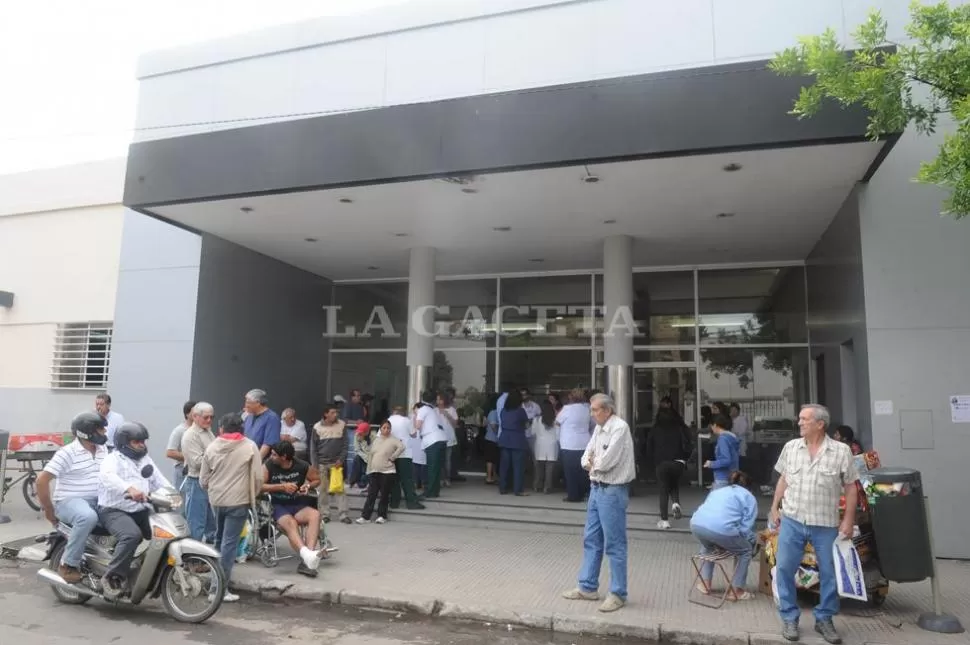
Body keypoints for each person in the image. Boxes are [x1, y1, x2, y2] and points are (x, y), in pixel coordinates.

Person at [770, 404, 859, 645]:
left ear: (820, 424)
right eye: (800, 419)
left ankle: (824, 618)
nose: (799, 423)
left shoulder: (841, 451)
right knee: (785, 568)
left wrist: (848, 519)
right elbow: (784, 478)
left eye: (804, 419)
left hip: (826, 523)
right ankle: (789, 617)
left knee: (830, 574)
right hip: (793, 519)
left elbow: (851, 487)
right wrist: (774, 507)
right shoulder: (791, 448)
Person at [562, 394, 635, 613]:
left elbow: (606, 461)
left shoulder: (619, 428)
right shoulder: (598, 428)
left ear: (607, 410)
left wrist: (594, 463)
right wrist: (591, 462)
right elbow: (586, 457)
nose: (592, 414)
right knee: (591, 538)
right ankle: (587, 587)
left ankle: (618, 593)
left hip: (612, 490)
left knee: (614, 544)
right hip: (596, 488)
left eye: (595, 410)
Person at [97, 422, 171, 598]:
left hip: (140, 509)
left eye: (143, 441)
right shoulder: (112, 460)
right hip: (113, 510)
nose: (142, 445)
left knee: (165, 535)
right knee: (132, 536)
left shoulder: (144, 459)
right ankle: (112, 576)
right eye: (136, 442)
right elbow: (108, 477)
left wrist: (172, 493)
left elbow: (159, 480)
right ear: (124, 442)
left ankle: (147, 574)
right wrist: (128, 488)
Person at [36, 412, 109, 584]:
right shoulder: (67, 453)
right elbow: (41, 481)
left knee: (130, 516)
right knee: (86, 517)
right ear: (86, 432)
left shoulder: (104, 450)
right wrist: (48, 510)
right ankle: (68, 564)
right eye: (100, 428)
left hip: (99, 501)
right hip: (70, 501)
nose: (105, 431)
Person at [201, 412, 263, 602]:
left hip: (217, 499)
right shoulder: (249, 446)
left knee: (219, 541)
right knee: (229, 544)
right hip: (238, 501)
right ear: (241, 429)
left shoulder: (212, 446)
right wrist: (253, 494)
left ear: (221, 428)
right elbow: (258, 478)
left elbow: (203, 479)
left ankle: (214, 583)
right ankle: (218, 589)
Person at [690, 471, 759, 600]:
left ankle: (705, 584)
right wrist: (751, 540)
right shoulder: (749, 497)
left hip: (696, 524)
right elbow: (745, 528)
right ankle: (736, 590)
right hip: (721, 529)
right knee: (745, 551)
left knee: (708, 546)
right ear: (749, 487)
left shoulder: (717, 491)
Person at [263, 441, 326, 577]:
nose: (271, 457)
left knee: (315, 515)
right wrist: (281, 487)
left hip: (297, 502)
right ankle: (308, 557)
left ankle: (308, 559)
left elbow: (316, 479)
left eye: (274, 454)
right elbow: (260, 486)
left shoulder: (302, 465)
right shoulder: (269, 465)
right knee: (291, 523)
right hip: (278, 504)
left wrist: (308, 487)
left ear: (284, 457)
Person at [647, 407, 691, 529]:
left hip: (662, 463)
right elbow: (688, 444)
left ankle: (664, 520)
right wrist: (685, 459)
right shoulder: (679, 429)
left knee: (663, 490)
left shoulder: (655, 430)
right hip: (678, 463)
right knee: (673, 483)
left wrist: (652, 461)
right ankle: (676, 503)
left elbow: (649, 448)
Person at [356, 420, 405, 524]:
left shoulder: (393, 439)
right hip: (374, 471)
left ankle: (382, 516)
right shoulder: (376, 440)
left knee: (384, 495)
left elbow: (402, 447)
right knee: (371, 494)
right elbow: (370, 453)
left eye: (388, 428)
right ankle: (365, 517)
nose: (386, 430)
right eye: (384, 428)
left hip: (387, 471)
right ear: (380, 429)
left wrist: (393, 457)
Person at [310, 404, 352, 524]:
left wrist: (341, 459)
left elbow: (345, 445)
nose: (335, 415)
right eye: (333, 412)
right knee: (322, 490)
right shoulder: (317, 427)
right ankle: (324, 514)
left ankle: (343, 515)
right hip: (322, 463)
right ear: (326, 414)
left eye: (336, 412)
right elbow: (313, 447)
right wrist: (315, 465)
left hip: (336, 464)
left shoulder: (341, 425)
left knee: (340, 489)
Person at [181, 402, 216, 542]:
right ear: (195, 416)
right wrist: (218, 461)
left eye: (211, 417)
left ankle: (210, 552)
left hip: (208, 481)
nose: (209, 420)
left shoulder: (207, 431)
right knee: (196, 522)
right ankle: (193, 557)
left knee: (209, 520)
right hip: (196, 481)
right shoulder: (190, 435)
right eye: (206, 417)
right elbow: (196, 462)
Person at [557, 388, 592, 502]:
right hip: (584, 442)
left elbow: (557, 422)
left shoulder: (567, 409)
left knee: (570, 472)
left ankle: (573, 495)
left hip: (569, 443)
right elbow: (592, 424)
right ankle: (583, 493)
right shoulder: (588, 408)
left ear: (571, 397)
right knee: (583, 470)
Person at [387, 406, 425, 510]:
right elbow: (413, 434)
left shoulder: (388, 420)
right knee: (407, 479)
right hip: (405, 453)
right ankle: (411, 503)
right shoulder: (406, 420)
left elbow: (380, 436)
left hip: (391, 454)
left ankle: (394, 503)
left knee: (394, 479)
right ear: (403, 413)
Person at [414, 391, 447, 498]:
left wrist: (415, 417)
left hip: (433, 440)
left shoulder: (423, 409)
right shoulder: (433, 411)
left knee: (431, 468)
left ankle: (429, 492)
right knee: (436, 468)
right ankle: (435, 491)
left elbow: (418, 426)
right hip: (441, 439)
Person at [498, 390, 529, 496]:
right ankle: (518, 489)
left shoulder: (503, 410)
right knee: (518, 466)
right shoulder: (520, 411)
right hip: (517, 439)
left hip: (505, 439)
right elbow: (526, 424)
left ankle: (503, 487)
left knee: (504, 466)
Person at [165, 400, 197, 491]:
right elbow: (170, 452)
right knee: (181, 500)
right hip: (182, 470)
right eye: (194, 412)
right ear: (187, 414)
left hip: (196, 471)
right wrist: (191, 458)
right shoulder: (179, 430)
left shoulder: (202, 431)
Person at [242, 388, 282, 461]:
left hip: (262, 461)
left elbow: (267, 445)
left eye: (248, 402)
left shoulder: (272, 418)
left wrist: (256, 461)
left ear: (258, 403)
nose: (246, 405)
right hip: (247, 458)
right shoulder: (249, 417)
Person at [704, 414, 739, 489]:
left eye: (711, 426)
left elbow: (726, 460)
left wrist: (711, 463)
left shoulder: (723, 439)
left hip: (722, 477)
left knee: (715, 500)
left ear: (715, 425)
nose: (711, 428)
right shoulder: (731, 438)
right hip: (732, 475)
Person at [531, 400, 559, 494]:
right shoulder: (556, 420)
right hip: (552, 446)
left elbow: (532, 432)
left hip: (539, 445)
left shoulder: (537, 420)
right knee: (549, 469)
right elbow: (558, 434)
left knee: (538, 468)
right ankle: (547, 487)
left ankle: (537, 486)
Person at [483, 393, 501, 485]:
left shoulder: (492, 412)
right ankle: (489, 477)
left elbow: (484, 424)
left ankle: (493, 476)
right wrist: (499, 434)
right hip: (491, 439)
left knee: (493, 459)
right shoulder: (494, 412)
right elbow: (493, 426)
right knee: (490, 460)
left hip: (491, 439)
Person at [730, 403, 754, 471]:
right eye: (731, 410)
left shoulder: (742, 419)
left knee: (740, 463)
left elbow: (741, 431)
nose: (733, 411)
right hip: (731, 446)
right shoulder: (729, 420)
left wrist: (731, 434)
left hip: (740, 444)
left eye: (735, 410)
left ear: (738, 411)